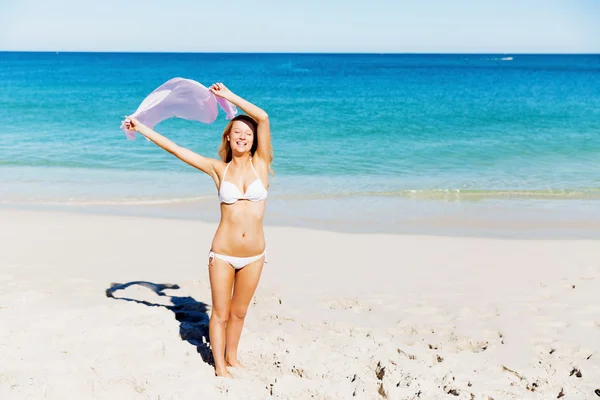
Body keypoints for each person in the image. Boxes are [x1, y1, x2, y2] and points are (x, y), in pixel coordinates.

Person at [124, 82, 273, 378]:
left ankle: (232, 358)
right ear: (228, 138)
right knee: (219, 313)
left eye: (247, 133)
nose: (242, 136)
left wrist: (228, 96)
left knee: (239, 312)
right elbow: (177, 150)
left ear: (254, 140)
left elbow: (264, 117)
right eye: (236, 133)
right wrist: (141, 128)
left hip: (255, 254)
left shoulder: (261, 164)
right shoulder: (219, 170)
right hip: (223, 254)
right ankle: (220, 368)